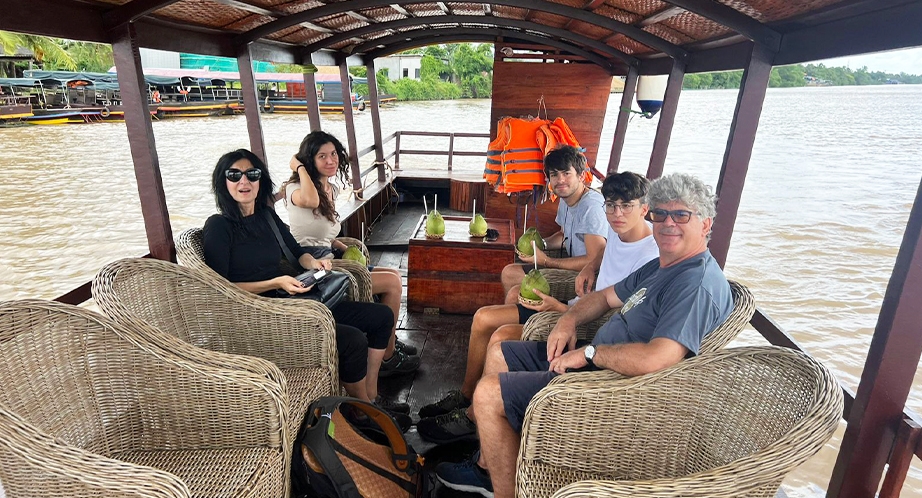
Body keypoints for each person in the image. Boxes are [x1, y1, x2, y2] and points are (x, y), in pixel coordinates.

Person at [434, 173, 734, 498]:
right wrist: (570, 320)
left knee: (489, 393)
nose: (667, 224)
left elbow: (658, 358)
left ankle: (502, 487)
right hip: (595, 359)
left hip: (612, 387)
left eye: (681, 215)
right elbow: (606, 297)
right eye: (661, 214)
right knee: (500, 353)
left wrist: (590, 354)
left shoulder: (695, 285)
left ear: (705, 224)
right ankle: (491, 464)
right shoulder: (665, 265)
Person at [416, 171, 659, 444]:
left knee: (492, 327)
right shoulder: (620, 230)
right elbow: (603, 251)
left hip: (586, 323)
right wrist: (591, 266)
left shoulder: (650, 256)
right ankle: (469, 399)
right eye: (611, 205)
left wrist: (559, 308)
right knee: (493, 310)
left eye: (626, 205)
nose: (617, 213)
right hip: (575, 307)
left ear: (645, 208)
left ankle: (472, 414)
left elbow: (622, 316)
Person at [201, 148, 410, 427]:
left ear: (261, 179)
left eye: (251, 174)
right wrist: (274, 282)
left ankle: (370, 396)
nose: (244, 182)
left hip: (293, 299)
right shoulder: (219, 226)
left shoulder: (266, 216)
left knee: (380, 317)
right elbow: (220, 288)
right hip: (261, 316)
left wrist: (314, 261)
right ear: (223, 182)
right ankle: (363, 412)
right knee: (352, 340)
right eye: (234, 175)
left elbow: (296, 251)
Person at [283, 130, 420, 377]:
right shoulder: (295, 188)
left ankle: (387, 341)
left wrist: (343, 246)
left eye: (334, 154)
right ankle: (387, 356)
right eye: (322, 156)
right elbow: (311, 204)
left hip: (329, 254)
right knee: (391, 283)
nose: (331, 160)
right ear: (308, 160)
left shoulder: (330, 188)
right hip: (309, 262)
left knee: (394, 275)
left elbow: (324, 233)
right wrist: (299, 167)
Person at [499, 145, 608, 304]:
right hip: (573, 263)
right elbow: (564, 235)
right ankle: (521, 320)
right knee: (509, 272)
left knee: (513, 281)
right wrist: (539, 244)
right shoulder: (566, 198)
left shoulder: (591, 207)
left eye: (566, 173)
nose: (560, 180)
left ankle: (519, 322)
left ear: (581, 176)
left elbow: (594, 259)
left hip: (590, 277)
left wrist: (547, 261)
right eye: (554, 174)